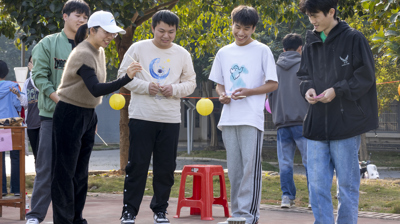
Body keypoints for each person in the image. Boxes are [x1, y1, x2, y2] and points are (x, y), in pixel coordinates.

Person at [51, 10, 139, 224]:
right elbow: (96, 88)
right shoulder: (83, 53)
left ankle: (76, 218)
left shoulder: (98, 50)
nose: (110, 37)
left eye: (113, 33)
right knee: (65, 173)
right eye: (106, 32)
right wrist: (125, 78)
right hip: (70, 113)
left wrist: (92, 118)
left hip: (86, 114)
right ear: (92, 30)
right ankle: (64, 221)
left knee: (80, 174)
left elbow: (91, 94)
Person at [297, 0, 378, 223]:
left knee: (348, 187)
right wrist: (307, 89)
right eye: (309, 16)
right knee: (316, 187)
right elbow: (303, 75)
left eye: (315, 15)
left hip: (346, 126)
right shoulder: (311, 39)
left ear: (331, 12)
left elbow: (366, 76)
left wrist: (338, 90)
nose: (312, 20)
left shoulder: (354, 38)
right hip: (315, 126)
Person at [118, 10, 196, 224]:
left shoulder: (182, 54)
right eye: (161, 30)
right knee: (137, 166)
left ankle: (160, 210)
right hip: (141, 117)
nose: (166, 36)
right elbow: (122, 76)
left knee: (166, 168)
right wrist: (146, 86)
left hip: (170, 119)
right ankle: (129, 211)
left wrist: (175, 89)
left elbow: (191, 83)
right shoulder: (138, 49)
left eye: (171, 32)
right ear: (152, 28)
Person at [209, 6, 278, 224]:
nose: (241, 33)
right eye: (237, 27)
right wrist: (222, 96)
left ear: (253, 28)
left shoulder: (262, 50)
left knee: (250, 169)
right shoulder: (223, 52)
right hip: (229, 118)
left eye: (246, 29)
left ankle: (250, 216)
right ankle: (236, 216)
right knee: (236, 170)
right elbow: (219, 85)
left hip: (251, 118)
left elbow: (273, 84)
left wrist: (249, 91)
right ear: (232, 24)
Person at [28, 1, 90, 223]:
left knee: (76, 173)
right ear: (64, 16)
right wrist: (59, 101)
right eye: (77, 15)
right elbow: (39, 77)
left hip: (82, 119)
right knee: (47, 169)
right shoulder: (48, 44)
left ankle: (72, 216)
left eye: (85, 17)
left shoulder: (91, 47)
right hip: (52, 117)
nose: (81, 20)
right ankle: (35, 215)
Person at [268, 33, 310, 209]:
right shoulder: (305, 66)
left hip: (281, 123)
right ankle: (313, 198)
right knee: (311, 162)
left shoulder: (273, 68)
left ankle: (287, 196)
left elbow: (269, 96)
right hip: (303, 122)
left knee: (285, 163)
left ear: (283, 49)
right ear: (300, 48)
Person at [10, 56, 41, 163]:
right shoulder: (27, 82)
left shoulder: (43, 79)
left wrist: (34, 73)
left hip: (44, 122)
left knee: (44, 153)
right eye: (31, 62)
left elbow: (39, 87)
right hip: (32, 122)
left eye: (35, 62)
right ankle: (39, 178)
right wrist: (18, 94)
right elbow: (25, 104)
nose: (32, 64)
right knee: (36, 155)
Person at [0, 60, 21, 197]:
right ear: (6, 72)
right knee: (15, 156)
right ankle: (16, 189)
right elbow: (18, 105)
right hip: (12, 124)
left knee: (0, 157)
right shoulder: (13, 86)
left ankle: (1, 189)